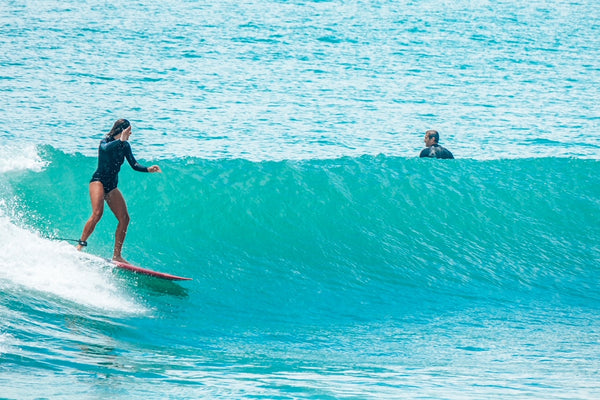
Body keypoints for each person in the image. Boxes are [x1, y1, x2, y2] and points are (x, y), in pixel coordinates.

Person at [76, 119, 162, 263]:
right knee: (97, 213)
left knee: (125, 218)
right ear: (121, 130)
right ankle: (80, 245)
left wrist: (148, 169)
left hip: (112, 186)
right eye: (129, 130)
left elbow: (134, 164)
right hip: (98, 181)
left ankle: (117, 255)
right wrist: (120, 140)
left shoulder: (125, 146)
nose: (131, 133)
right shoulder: (105, 142)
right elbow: (106, 149)